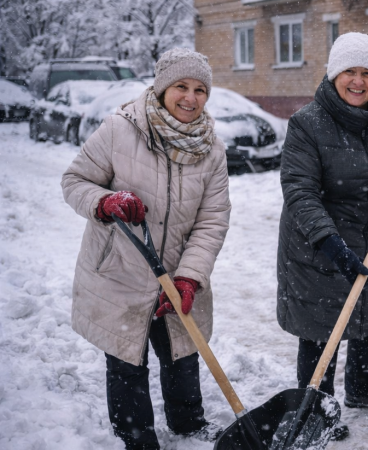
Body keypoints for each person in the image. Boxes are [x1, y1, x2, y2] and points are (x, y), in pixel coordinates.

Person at [61, 48, 231, 449]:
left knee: (182, 351)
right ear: (161, 88)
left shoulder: (212, 150)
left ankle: (188, 422)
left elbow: (212, 221)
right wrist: (104, 203)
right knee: (126, 359)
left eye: (200, 90)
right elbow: (74, 181)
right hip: (119, 269)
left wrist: (190, 277)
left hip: (176, 271)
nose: (191, 98)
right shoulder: (120, 130)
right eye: (181, 87)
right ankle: (136, 437)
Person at [276, 32, 368, 441]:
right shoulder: (308, 123)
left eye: (367, 73)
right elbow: (299, 189)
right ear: (334, 73)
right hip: (317, 240)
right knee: (322, 326)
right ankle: (319, 407)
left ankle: (361, 389)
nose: (358, 81)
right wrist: (328, 240)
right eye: (349, 72)